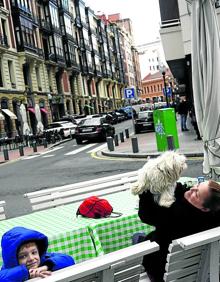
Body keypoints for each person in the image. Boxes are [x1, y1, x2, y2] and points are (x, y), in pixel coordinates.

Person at [138, 180, 220, 282]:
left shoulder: (177, 214)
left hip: (163, 271)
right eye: (197, 185)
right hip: (195, 271)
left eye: (197, 194)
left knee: (139, 240)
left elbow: (146, 215)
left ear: (205, 209)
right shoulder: (213, 216)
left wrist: (144, 191)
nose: (192, 189)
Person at [0, 226, 75, 281]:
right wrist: (27, 273)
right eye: (23, 256)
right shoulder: (8, 269)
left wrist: (47, 266)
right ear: (13, 259)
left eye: (34, 252)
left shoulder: (45, 258)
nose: (31, 258)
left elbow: (69, 260)